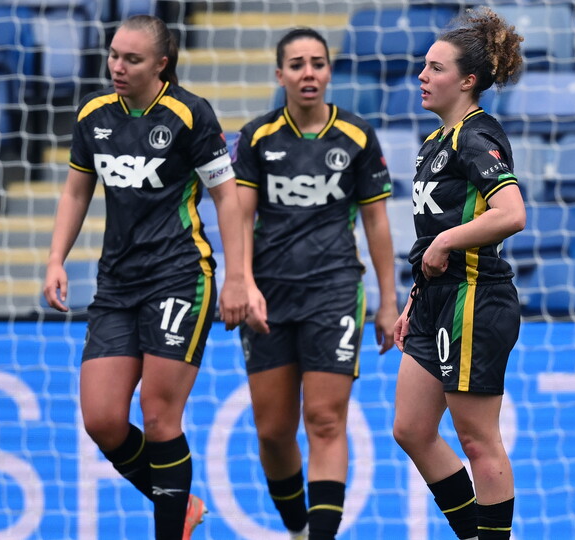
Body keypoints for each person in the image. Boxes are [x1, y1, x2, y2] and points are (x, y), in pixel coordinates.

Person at [42, 15, 249, 540]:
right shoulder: (94, 115)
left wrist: (238, 277)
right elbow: (75, 191)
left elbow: (227, 196)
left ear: (161, 64)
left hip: (180, 275)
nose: (117, 66)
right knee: (103, 420)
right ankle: (181, 506)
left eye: (131, 59)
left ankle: (170, 528)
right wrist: (54, 259)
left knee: (159, 418)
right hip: (115, 284)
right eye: (113, 55)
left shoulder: (190, 114)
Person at [231, 27, 399, 540]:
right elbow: (237, 218)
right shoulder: (257, 138)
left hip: (333, 292)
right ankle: (297, 530)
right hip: (269, 296)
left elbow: (376, 223)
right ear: (279, 74)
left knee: (325, 420)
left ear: (329, 71)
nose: (309, 73)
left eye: (318, 63)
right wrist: (239, 281)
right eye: (298, 64)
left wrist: (388, 302)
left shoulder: (356, 136)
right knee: (274, 431)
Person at [392, 8, 526, 540]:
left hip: (475, 296)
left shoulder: (477, 135)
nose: (422, 76)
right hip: (434, 300)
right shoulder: (433, 144)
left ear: (468, 81)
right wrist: (412, 300)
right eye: (423, 67)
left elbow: (511, 213)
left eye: (435, 68)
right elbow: (431, 240)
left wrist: (447, 240)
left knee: (477, 439)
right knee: (411, 429)